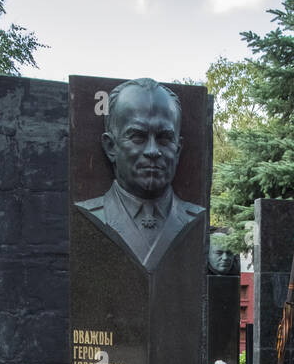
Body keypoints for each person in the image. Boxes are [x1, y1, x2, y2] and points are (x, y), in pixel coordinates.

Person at [75, 78, 204, 270]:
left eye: (164, 138)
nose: (153, 151)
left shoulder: (193, 217)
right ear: (111, 147)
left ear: (178, 150)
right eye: (138, 137)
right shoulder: (90, 215)